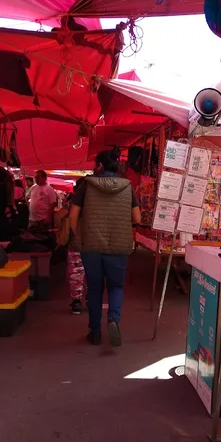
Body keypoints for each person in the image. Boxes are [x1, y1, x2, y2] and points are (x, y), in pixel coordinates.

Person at [70, 147, 141, 346]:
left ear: (100, 165)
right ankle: (113, 319)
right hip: (119, 245)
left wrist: (79, 236)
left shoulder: (86, 185)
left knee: (94, 288)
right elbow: (137, 218)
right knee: (116, 286)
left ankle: (94, 333)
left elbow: (73, 215)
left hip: (91, 245)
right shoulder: (128, 187)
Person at [55, 178, 86, 315]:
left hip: (75, 243)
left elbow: (58, 216)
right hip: (95, 244)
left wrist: (62, 228)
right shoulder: (96, 203)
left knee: (76, 274)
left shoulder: (71, 203)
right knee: (93, 274)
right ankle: (92, 300)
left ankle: (77, 302)